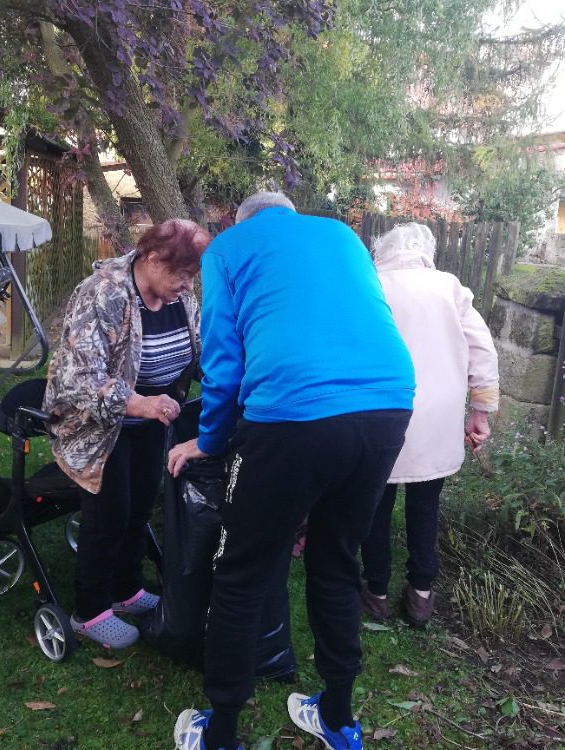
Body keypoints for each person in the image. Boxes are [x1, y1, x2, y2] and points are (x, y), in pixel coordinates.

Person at [167, 192, 415, 750]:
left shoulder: (227, 248)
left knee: (242, 571)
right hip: (388, 402)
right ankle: (338, 718)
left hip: (290, 412)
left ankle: (220, 734)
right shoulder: (342, 235)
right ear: (289, 212)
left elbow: (223, 362)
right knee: (337, 560)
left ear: (242, 219)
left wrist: (210, 441)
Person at [42, 218, 211, 649]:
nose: (188, 286)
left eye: (193, 276)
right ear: (152, 258)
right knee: (110, 512)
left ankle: (126, 589)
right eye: (182, 274)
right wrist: (143, 404)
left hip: (151, 420)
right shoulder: (103, 293)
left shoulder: (180, 298)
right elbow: (79, 381)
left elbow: (196, 351)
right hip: (95, 425)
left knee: (140, 504)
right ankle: (90, 611)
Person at [359, 222, 499, 628]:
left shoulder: (371, 284)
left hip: (384, 411)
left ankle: (377, 591)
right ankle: (421, 593)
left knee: (376, 505)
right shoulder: (449, 287)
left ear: (382, 251)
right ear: (425, 253)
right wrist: (480, 411)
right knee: (425, 504)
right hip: (437, 414)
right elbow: (483, 349)